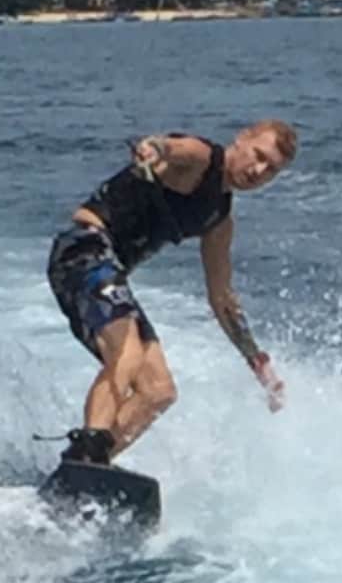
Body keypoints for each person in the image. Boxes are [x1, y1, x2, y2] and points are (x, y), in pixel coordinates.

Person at [47, 120, 297, 466]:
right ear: (242, 139)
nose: (258, 171)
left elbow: (222, 299)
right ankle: (92, 440)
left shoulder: (219, 221)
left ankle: (87, 466)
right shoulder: (203, 158)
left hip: (109, 273)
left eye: (271, 170)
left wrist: (256, 361)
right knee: (127, 351)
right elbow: (173, 147)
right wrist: (153, 148)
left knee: (158, 391)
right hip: (82, 250)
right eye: (259, 156)